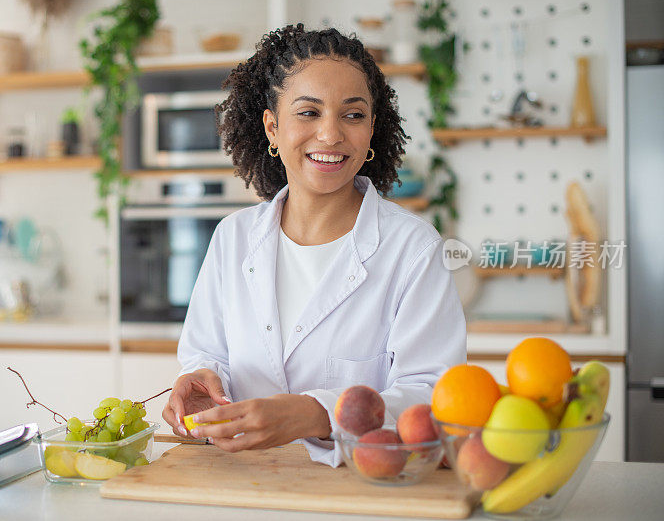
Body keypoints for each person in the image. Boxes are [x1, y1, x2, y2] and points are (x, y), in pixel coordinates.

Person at [162, 24, 466, 467]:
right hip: (244, 485)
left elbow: (433, 398)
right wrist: (202, 381)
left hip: (361, 491)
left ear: (371, 130)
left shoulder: (414, 249)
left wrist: (315, 414)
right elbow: (207, 354)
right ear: (272, 127)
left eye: (353, 114)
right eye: (308, 112)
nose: (330, 134)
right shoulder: (233, 238)